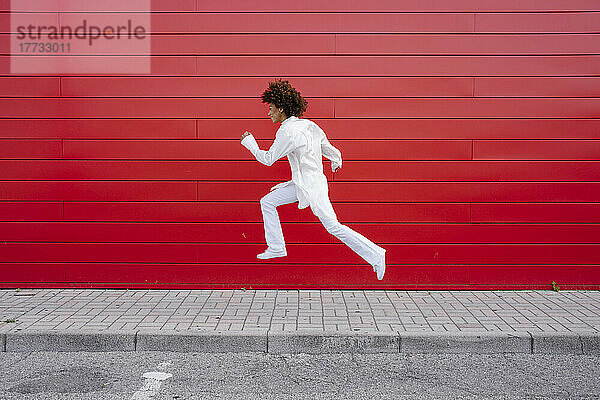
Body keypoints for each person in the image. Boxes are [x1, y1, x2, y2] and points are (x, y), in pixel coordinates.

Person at [240, 79, 386, 280]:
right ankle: (276, 247)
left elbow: (268, 159)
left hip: (310, 187)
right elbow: (328, 147)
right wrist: (336, 160)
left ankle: (377, 254)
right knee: (268, 201)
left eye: (271, 109)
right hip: (309, 183)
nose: (269, 113)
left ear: (281, 109)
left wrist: (250, 143)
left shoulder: (287, 131)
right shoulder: (310, 125)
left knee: (334, 226)